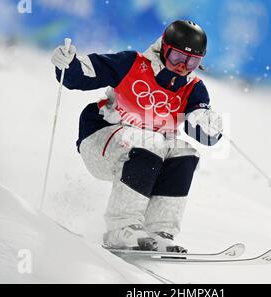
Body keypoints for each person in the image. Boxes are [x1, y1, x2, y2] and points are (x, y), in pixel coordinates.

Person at [51, 20, 222, 252]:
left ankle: (159, 231)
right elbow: (80, 77)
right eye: (177, 58)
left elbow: (202, 134)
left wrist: (209, 126)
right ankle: (121, 228)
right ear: (163, 48)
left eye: (192, 61)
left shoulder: (193, 89)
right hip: (101, 140)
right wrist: (67, 66)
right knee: (149, 141)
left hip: (145, 155)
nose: (183, 66)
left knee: (184, 152)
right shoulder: (131, 64)